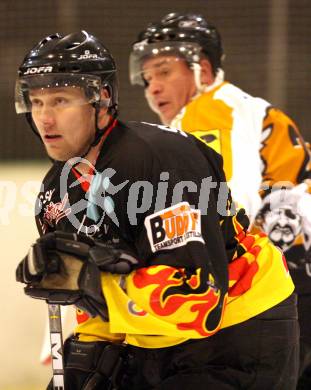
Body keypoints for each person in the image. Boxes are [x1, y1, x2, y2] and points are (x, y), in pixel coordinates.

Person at [15, 30, 298, 390]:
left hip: (240, 331)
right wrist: (87, 355)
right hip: (157, 338)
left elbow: (198, 297)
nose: (45, 118)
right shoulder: (56, 193)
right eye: (36, 102)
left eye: (59, 100)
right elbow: (96, 307)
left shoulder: (161, 162)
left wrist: (91, 286)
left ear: (101, 99)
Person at [129, 12, 311, 388]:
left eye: (164, 71)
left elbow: (226, 207)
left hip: (288, 279)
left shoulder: (209, 112)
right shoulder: (239, 108)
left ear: (204, 71)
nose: (153, 88)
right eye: (148, 78)